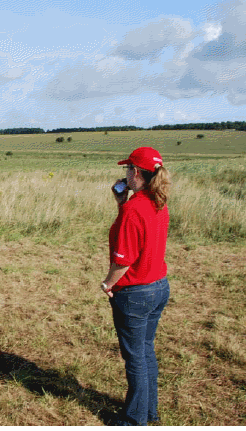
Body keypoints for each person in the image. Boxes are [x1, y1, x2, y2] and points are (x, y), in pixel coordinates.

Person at [100, 147, 171, 426]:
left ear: (137, 173)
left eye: (128, 169)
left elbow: (124, 260)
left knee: (135, 359)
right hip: (158, 287)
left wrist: (107, 284)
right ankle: (149, 412)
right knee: (145, 350)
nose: (125, 173)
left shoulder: (133, 209)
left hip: (134, 292)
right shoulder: (157, 202)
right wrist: (122, 202)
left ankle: (134, 420)